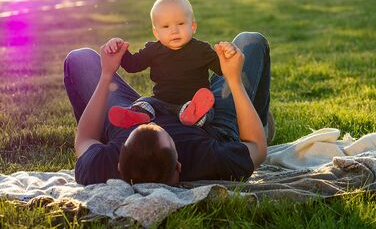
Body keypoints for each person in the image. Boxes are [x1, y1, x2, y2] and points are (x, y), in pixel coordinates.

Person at [64, 32, 271, 185]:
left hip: (135, 113)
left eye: (139, 133)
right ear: (179, 166)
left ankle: (144, 113)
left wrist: (106, 75)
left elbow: (84, 139)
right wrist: (234, 81)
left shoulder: (101, 166)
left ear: (119, 165)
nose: (157, 125)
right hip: (207, 121)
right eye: (161, 131)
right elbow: (257, 147)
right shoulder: (211, 160)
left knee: (79, 58)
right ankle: (263, 124)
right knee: (251, 41)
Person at [105, 0, 237, 128]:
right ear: (156, 33)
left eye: (180, 23)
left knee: (207, 111)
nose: (174, 30)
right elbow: (132, 65)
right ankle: (138, 115)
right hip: (160, 102)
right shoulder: (153, 50)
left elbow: (222, 69)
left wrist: (227, 54)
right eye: (166, 26)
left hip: (192, 103)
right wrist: (120, 49)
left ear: (193, 26)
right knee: (145, 102)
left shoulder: (201, 50)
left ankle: (193, 116)